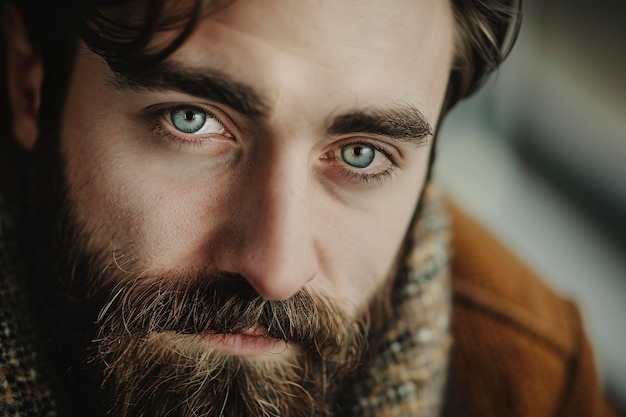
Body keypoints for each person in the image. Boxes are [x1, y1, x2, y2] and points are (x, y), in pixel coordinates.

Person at [0, 0, 617, 416]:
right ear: (30, 84)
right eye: (191, 120)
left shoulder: (531, 385)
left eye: (361, 154)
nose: (275, 269)